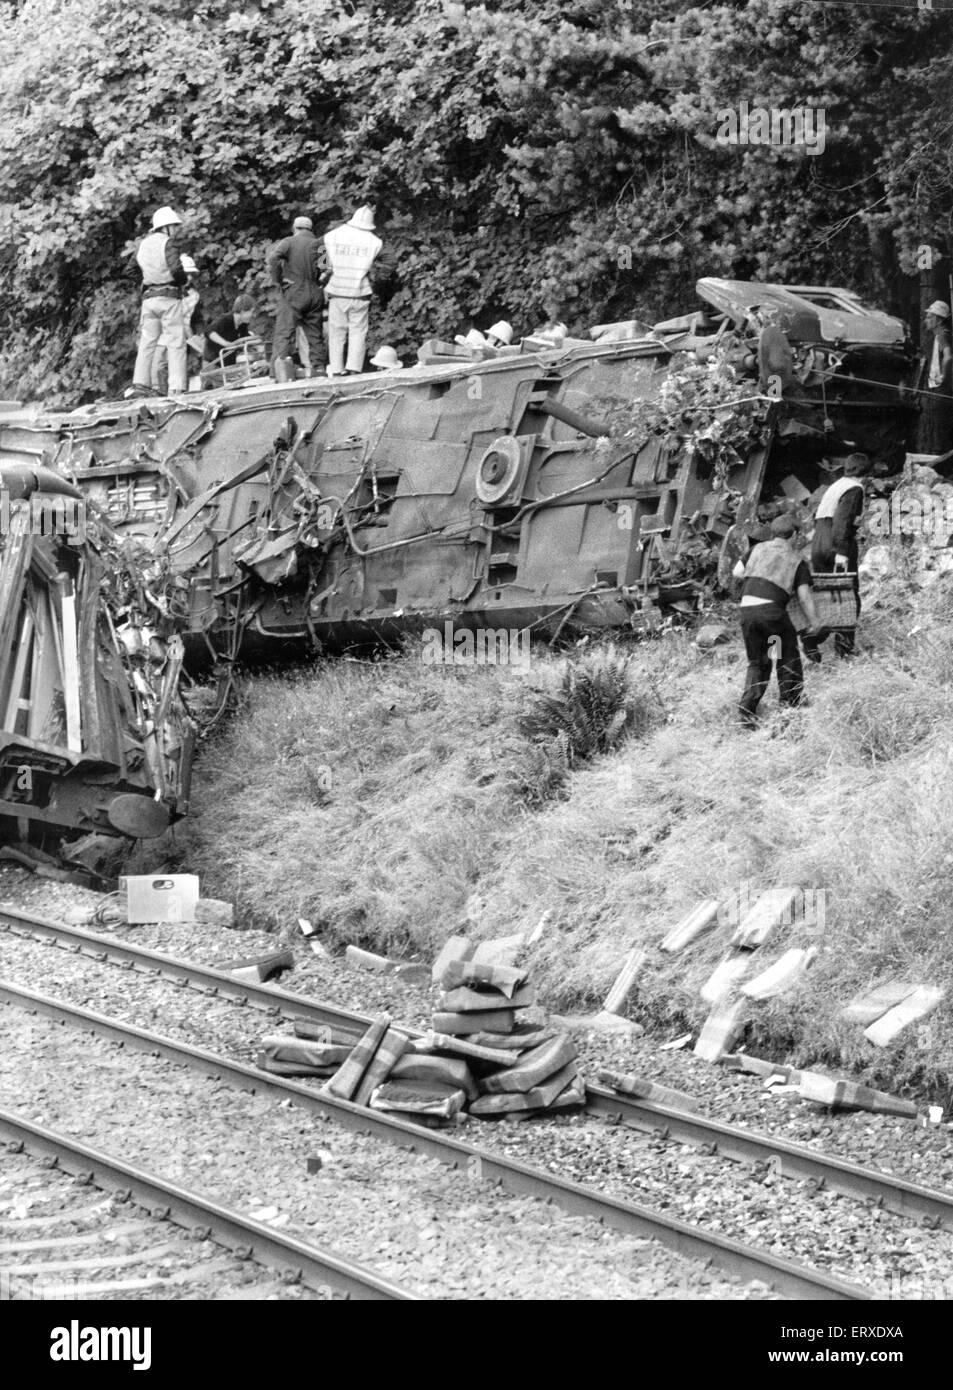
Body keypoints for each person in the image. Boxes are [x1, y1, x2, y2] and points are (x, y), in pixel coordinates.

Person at [734, 513, 820, 727]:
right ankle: (791, 705)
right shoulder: (796, 561)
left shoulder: (756, 549)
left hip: (748, 614)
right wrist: (815, 623)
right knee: (786, 657)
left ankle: (747, 710)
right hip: (771, 616)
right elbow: (804, 597)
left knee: (758, 662)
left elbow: (737, 572)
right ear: (794, 535)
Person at [803, 452, 868, 659]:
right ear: (866, 473)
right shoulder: (854, 489)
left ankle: (811, 640)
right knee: (848, 597)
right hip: (836, 544)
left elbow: (819, 517)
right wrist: (841, 551)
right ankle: (845, 650)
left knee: (827, 596)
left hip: (819, 544)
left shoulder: (836, 485)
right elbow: (843, 520)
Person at [323, 204, 393, 376]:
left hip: (337, 290)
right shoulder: (375, 241)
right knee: (358, 332)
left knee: (336, 333)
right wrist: (376, 278)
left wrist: (325, 270)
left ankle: (337, 370)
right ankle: (354, 369)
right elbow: (391, 261)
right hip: (361, 292)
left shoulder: (333, 235)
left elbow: (319, 249)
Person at [130, 206, 188, 397]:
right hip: (169, 297)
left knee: (147, 342)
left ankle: (140, 384)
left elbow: (130, 270)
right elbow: (176, 269)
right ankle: (176, 386)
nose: (176, 230)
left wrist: (147, 278)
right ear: (167, 227)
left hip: (149, 300)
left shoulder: (141, 245)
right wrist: (182, 282)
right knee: (176, 341)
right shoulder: (168, 243)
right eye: (174, 226)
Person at [268, 215, 326, 376]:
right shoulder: (320, 244)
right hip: (315, 292)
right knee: (315, 333)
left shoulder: (289, 241)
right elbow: (326, 270)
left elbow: (273, 258)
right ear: (310, 229)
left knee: (284, 331)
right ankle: (319, 368)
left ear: (295, 228)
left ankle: (279, 372)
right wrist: (319, 284)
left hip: (294, 291)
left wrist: (277, 280)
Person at [152, 254, 202, 394]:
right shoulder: (163, 291)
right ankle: (160, 397)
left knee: (178, 374)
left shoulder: (193, 295)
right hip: (160, 339)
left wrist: (194, 341)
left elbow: (186, 320)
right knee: (158, 371)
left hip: (178, 339)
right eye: (187, 274)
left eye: (192, 274)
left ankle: (178, 397)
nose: (190, 278)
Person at [917, 300, 953, 456]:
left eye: (929, 317)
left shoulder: (942, 335)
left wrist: (943, 376)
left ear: (938, 319)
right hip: (941, 390)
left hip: (941, 390)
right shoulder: (941, 335)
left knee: (939, 430)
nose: (926, 320)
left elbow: (948, 357)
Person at [202, 295, 259, 368]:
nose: (253, 315)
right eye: (251, 311)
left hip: (227, 365)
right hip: (213, 365)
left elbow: (245, 338)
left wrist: (255, 341)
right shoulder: (225, 319)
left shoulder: (242, 325)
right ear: (243, 311)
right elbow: (209, 331)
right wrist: (225, 343)